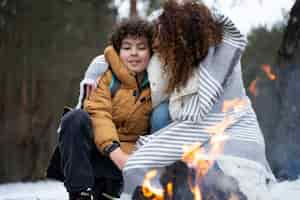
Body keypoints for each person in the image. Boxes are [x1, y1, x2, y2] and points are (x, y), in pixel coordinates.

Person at [119, 1, 276, 199]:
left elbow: (200, 122)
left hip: (233, 142)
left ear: (181, 39)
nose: (157, 44)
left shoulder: (218, 64)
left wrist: (149, 147)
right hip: (201, 138)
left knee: (200, 174)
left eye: (163, 38)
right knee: (162, 116)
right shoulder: (184, 60)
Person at [57, 17, 156, 200]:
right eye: (127, 47)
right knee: (75, 118)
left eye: (141, 47)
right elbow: (98, 113)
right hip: (102, 154)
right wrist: (113, 150)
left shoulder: (158, 82)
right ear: (118, 50)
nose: (134, 53)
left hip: (135, 161)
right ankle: (80, 193)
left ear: (151, 51)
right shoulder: (105, 76)